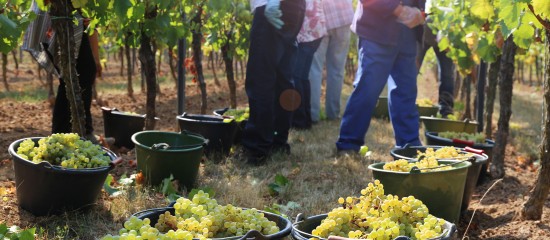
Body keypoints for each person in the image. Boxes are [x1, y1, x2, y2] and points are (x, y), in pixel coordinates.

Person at [336, 0, 425, 153]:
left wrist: (419, 11)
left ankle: (409, 144)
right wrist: (397, 9)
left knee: (406, 91)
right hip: (378, 29)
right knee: (367, 89)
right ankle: (349, 143)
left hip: (407, 31)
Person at [22, 1, 101, 142]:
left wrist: (96, 57)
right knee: (73, 77)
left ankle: (79, 133)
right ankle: (65, 136)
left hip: (74, 20)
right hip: (57, 21)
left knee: (83, 73)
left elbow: (90, 20)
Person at [242, 0, 305, 164]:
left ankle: (258, 147)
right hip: (294, 7)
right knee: (283, 78)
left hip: (273, 6)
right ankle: (278, 141)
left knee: (261, 78)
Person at [308, 0, 354, 123]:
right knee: (337, 69)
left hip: (320, 19)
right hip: (343, 16)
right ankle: (333, 113)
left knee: (315, 68)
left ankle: (313, 114)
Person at [291, 0, 327, 130]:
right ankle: (306, 120)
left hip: (306, 32)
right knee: (302, 77)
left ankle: (300, 122)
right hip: (316, 31)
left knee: (296, 76)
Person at [416, 17, 455, 117]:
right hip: (426, 29)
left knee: (447, 73)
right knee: (414, 67)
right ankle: (406, 102)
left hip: (446, 36)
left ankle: (445, 108)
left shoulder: (459, 28)